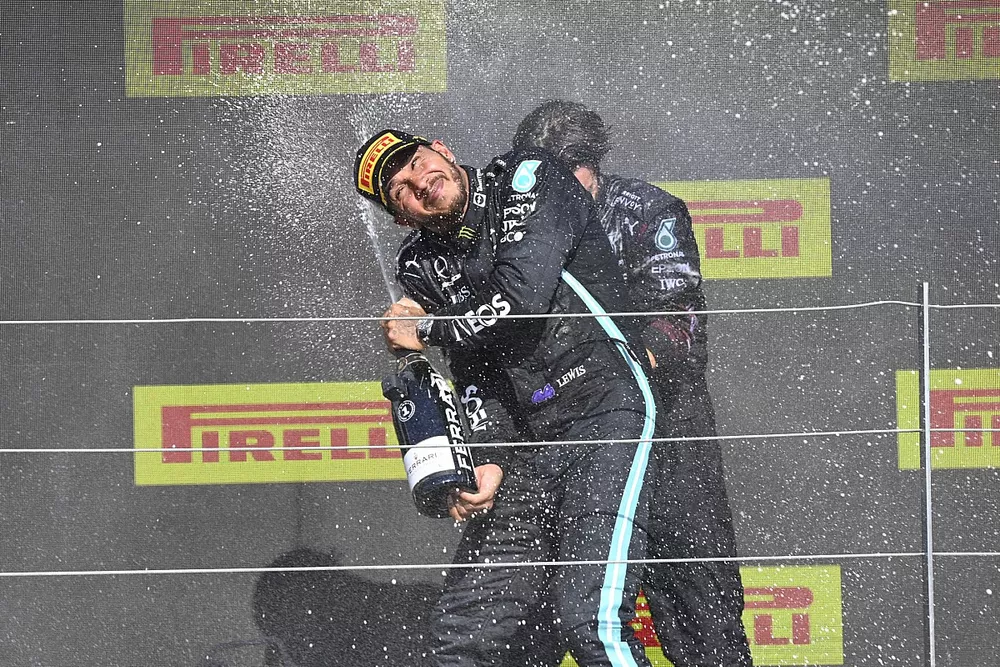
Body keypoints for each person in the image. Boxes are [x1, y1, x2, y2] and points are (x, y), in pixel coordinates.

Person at [353, 129, 661, 667]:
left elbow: (521, 300)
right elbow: (475, 369)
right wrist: (489, 454)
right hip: (525, 442)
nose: (418, 181)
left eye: (417, 162)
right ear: (400, 215)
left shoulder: (528, 177)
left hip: (603, 410)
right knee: (465, 634)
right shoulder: (419, 263)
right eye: (399, 188)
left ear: (443, 151)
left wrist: (425, 330)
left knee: (591, 619)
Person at [510, 100, 753, 667]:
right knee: (545, 614)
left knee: (703, 612)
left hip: (667, 433)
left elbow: (681, 327)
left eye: (568, 181)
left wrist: (606, 371)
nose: (555, 197)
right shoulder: (518, 224)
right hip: (568, 439)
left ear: (595, 169)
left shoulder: (648, 212)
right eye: (541, 182)